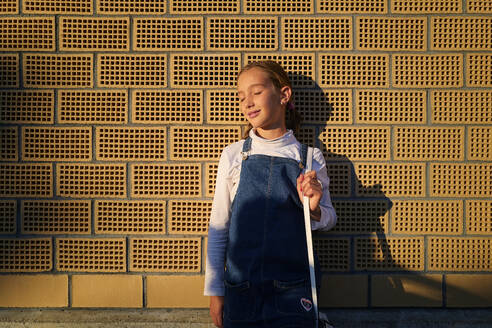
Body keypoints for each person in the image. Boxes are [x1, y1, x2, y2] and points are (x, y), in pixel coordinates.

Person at [204, 60, 337, 328]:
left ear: (284, 95)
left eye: (256, 92)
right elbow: (219, 227)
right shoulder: (234, 155)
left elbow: (329, 219)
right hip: (240, 291)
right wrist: (215, 290)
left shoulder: (310, 158)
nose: (248, 102)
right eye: (241, 97)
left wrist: (313, 207)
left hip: (294, 291)